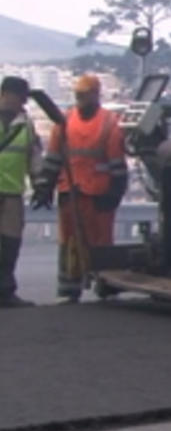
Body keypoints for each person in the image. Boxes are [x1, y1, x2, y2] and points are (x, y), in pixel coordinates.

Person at [34, 75, 128, 304]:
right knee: (68, 242)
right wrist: (44, 186)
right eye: (78, 96)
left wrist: (115, 191)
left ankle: (104, 284)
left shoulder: (109, 122)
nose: (81, 100)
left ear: (96, 95)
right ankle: (69, 288)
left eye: (84, 96)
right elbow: (53, 158)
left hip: (98, 194)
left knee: (101, 241)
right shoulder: (64, 122)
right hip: (71, 191)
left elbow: (117, 162)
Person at [0, 76, 40, 307]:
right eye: (20, 97)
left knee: (9, 245)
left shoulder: (25, 125)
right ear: (6, 94)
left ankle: (5, 292)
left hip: (12, 193)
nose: (22, 103)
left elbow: (33, 157)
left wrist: (40, 185)